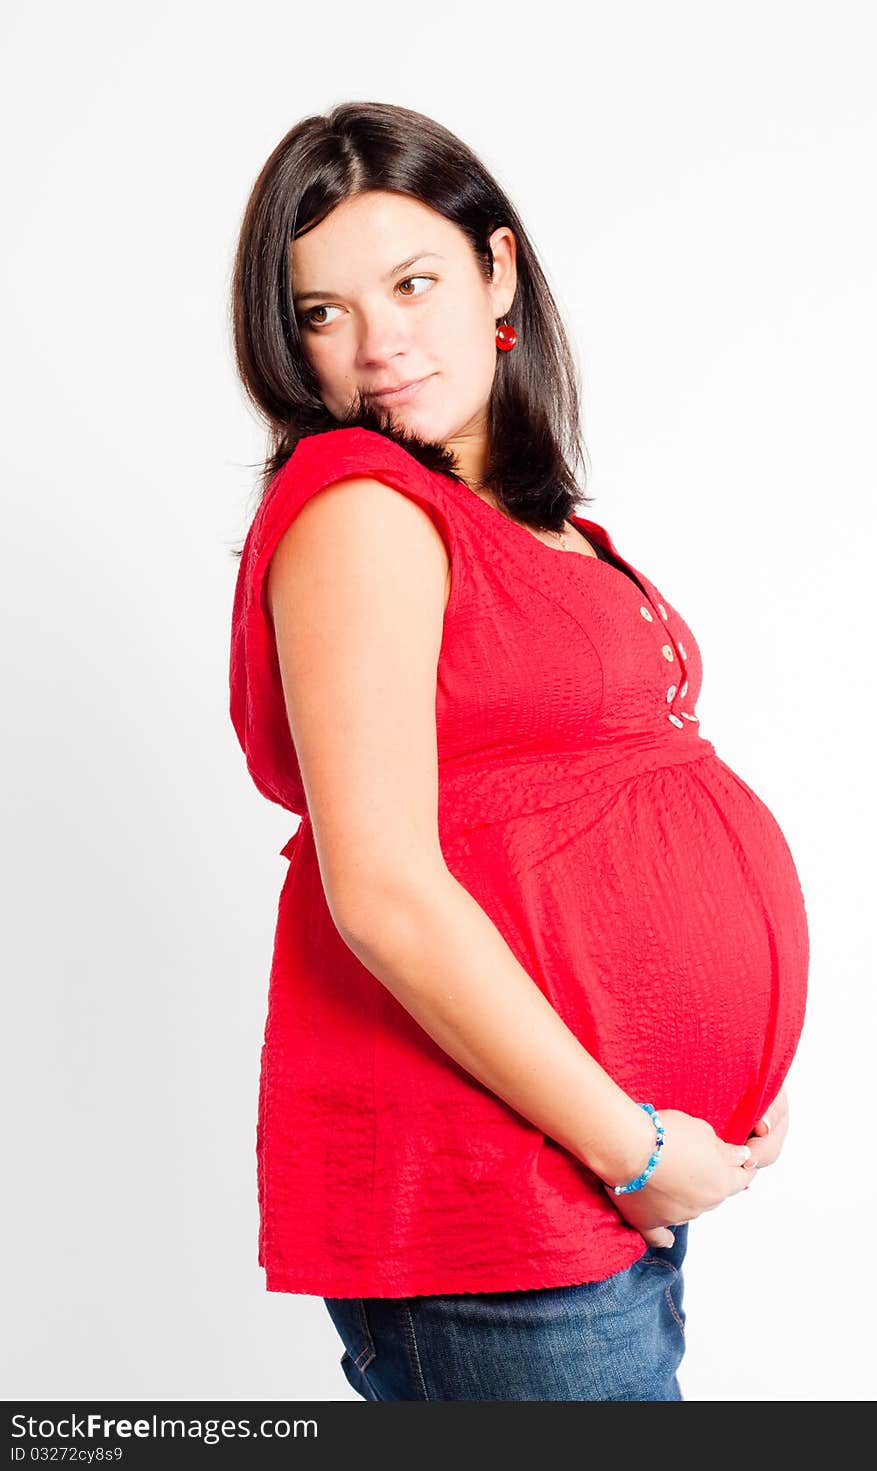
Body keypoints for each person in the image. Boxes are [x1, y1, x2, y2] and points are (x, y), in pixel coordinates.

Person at [227, 101, 809, 1402]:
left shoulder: (527, 521)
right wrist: (638, 1145)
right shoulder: (361, 512)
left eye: (412, 282)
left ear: (496, 270)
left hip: (589, 1178)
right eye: (324, 312)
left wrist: (712, 1076)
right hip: (497, 1199)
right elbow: (381, 892)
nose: (378, 342)